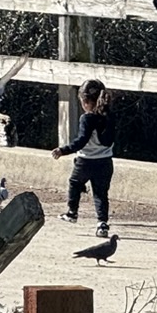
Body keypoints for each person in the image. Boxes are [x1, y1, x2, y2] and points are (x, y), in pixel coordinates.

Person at [52, 79, 116, 237]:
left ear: (85, 101)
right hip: (106, 161)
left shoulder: (87, 118)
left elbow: (80, 142)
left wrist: (63, 150)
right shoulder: (110, 116)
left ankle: (72, 212)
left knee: (74, 182)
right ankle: (102, 224)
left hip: (85, 161)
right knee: (100, 194)